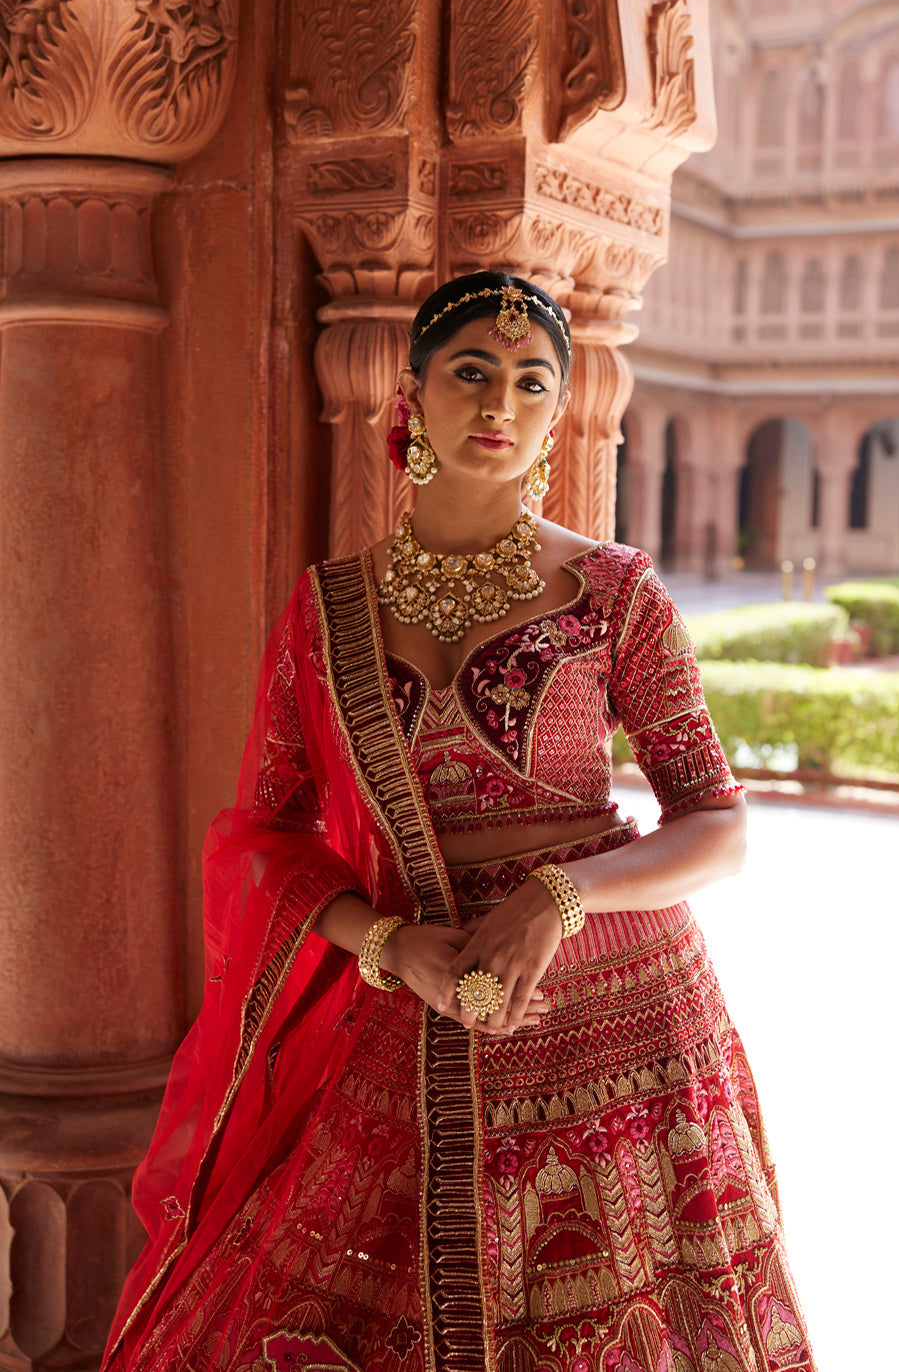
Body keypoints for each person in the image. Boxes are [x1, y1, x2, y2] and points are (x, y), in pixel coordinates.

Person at [102, 271, 816, 1372]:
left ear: (556, 417)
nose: (500, 404)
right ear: (412, 395)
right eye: (472, 373)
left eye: (533, 383)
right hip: (414, 993)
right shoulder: (327, 608)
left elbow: (717, 825)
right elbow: (267, 841)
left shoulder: (616, 594)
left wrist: (556, 895)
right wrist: (388, 945)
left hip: (618, 1018)